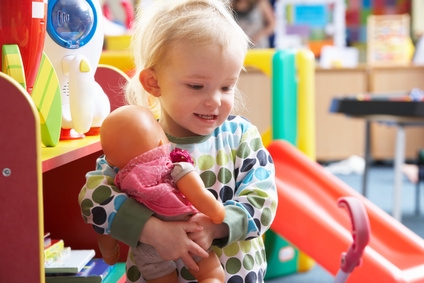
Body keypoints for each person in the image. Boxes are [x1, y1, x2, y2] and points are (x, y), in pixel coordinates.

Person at [78, 0, 277, 282]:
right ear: (153, 82)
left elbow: (263, 199)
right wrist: (152, 230)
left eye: (226, 86)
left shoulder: (241, 136)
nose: (214, 100)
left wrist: (216, 228)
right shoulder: (137, 138)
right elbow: (92, 198)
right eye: (196, 86)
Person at [97, 105, 225, 282]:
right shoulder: (169, 166)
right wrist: (216, 212)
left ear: (110, 160)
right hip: (185, 225)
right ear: (161, 141)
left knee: (160, 278)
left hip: (145, 246)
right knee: (210, 271)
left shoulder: (119, 185)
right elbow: (197, 192)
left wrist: (109, 252)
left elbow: (108, 227)